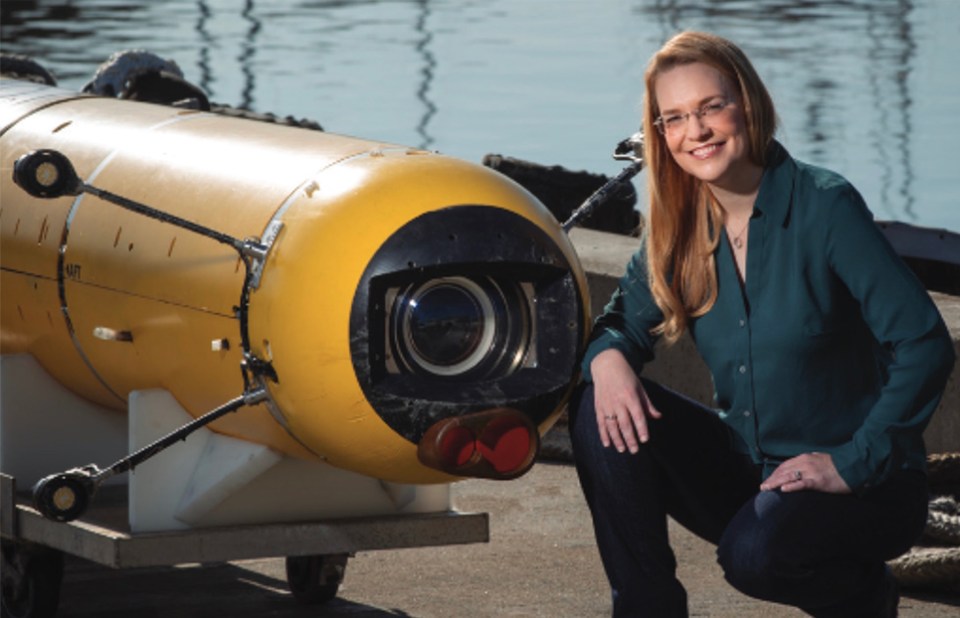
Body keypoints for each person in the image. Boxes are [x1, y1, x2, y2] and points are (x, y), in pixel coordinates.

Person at [569, 31, 955, 618]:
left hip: (860, 484)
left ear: (747, 103)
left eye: (710, 108)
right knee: (599, 406)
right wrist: (609, 360)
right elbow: (620, 324)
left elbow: (923, 343)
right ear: (659, 135)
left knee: (754, 555)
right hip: (754, 472)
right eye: (673, 118)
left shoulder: (824, 206)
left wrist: (849, 462)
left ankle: (862, 596)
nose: (694, 132)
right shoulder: (681, 225)